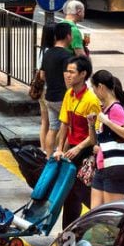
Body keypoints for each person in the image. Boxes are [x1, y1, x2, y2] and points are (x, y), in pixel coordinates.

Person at [53, 56, 101, 228]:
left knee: (84, 193)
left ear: (83, 74)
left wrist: (78, 148)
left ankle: (104, 222)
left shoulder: (91, 100)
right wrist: (60, 149)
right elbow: (64, 124)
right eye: (67, 71)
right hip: (72, 151)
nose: (67, 75)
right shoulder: (69, 94)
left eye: (72, 72)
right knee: (70, 195)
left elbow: (94, 135)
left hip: (86, 152)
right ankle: (69, 232)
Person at [88, 71, 124, 208]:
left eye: (94, 88)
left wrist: (107, 122)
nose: (94, 92)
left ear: (100, 87)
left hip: (115, 168)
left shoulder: (115, 108)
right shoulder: (109, 108)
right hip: (102, 166)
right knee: (96, 213)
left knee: (110, 214)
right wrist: (91, 124)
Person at [40, 22, 77, 154]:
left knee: (53, 127)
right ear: (68, 36)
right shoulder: (66, 56)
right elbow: (68, 79)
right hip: (62, 98)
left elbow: (42, 75)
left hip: (49, 97)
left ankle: (49, 157)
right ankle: (62, 154)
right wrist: (72, 96)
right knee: (69, 128)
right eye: (71, 35)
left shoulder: (48, 53)